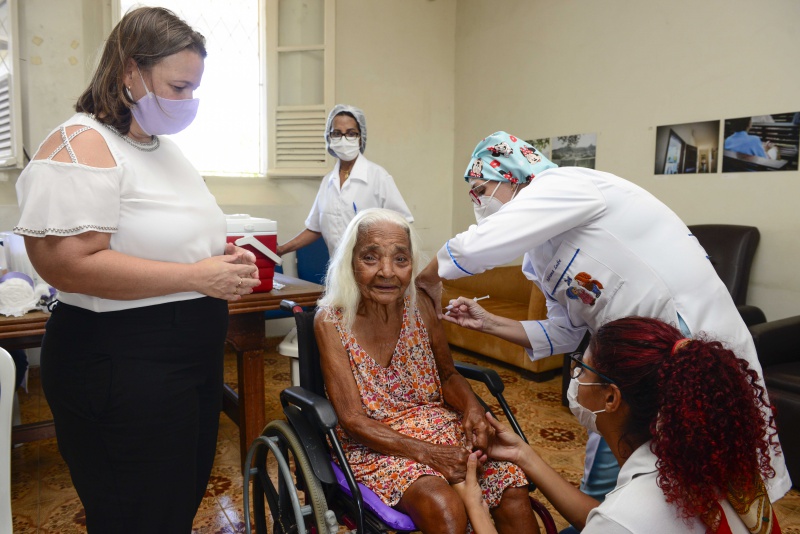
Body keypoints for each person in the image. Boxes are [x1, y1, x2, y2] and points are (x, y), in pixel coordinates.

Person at [416, 131, 791, 504]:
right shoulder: (539, 257)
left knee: (708, 475)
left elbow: (480, 244)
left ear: (513, 174)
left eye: (481, 190)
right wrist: (489, 322)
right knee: (628, 473)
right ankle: (605, 520)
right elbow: (565, 333)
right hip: (625, 363)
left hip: (688, 341)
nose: (477, 203)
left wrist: (429, 278)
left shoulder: (567, 184)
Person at [13, 7, 261, 533]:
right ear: (130, 72)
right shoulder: (80, 145)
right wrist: (197, 277)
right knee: (136, 513)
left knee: (173, 503)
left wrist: (221, 260)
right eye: (177, 86)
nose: (187, 101)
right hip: (121, 362)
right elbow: (65, 264)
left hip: (183, 361)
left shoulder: (160, 149)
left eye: (194, 89)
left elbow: (171, 240)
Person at [314, 208, 538, 534]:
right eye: (370, 258)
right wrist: (430, 454)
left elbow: (447, 375)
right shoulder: (332, 321)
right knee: (443, 506)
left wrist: (472, 406)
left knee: (512, 487)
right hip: (375, 444)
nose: (387, 272)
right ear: (350, 262)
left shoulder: (419, 305)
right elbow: (353, 420)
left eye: (400, 260)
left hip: (437, 426)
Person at [453, 316, 783, 534]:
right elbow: (606, 517)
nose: (575, 379)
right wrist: (525, 456)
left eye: (582, 371)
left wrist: (476, 508)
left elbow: (618, 522)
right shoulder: (695, 456)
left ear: (611, 398)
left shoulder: (628, 516)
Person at [276, 104, 414, 259]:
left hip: (372, 269)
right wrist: (281, 249)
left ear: (361, 138)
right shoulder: (328, 181)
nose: (343, 139)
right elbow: (315, 228)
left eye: (351, 133)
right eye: (337, 133)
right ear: (329, 138)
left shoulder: (378, 177)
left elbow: (403, 224)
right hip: (338, 269)